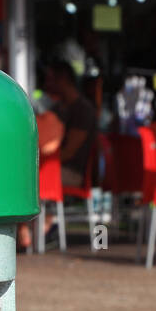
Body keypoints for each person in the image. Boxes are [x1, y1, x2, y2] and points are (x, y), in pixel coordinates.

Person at [18, 94, 64, 251]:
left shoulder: (27, 123)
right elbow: (51, 147)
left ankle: (24, 229)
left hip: (32, 176)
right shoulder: (56, 124)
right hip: (44, 177)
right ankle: (34, 231)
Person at [43, 60, 98, 189]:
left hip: (72, 172)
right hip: (54, 167)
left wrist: (38, 163)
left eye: (50, 79)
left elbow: (68, 152)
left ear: (63, 79)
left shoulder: (83, 110)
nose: (46, 84)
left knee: (25, 176)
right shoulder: (57, 109)